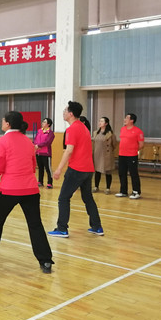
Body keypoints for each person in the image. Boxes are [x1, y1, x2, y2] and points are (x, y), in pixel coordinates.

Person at [0, 111, 54, 273]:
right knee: (35, 225)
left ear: (7, 124)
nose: (1, 122)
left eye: (3, 120)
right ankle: (46, 261)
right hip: (31, 190)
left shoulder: (2, 141)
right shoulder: (28, 141)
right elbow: (33, 165)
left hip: (9, 190)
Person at [48, 101, 104, 238]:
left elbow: (69, 151)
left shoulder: (72, 129)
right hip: (88, 169)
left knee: (63, 198)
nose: (63, 112)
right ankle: (97, 226)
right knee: (88, 198)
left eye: (65, 110)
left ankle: (62, 228)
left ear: (71, 114)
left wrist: (58, 169)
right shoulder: (84, 127)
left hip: (77, 169)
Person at [116, 113, 144, 199]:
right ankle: (123, 191)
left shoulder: (138, 131)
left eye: (127, 118)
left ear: (132, 120)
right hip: (122, 155)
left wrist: (133, 150)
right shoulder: (122, 129)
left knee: (133, 174)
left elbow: (141, 145)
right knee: (122, 173)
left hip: (132, 155)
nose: (125, 120)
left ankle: (136, 192)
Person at [92, 117, 116, 194]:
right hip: (97, 154)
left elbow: (114, 145)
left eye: (102, 121)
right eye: (99, 121)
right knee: (97, 171)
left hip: (106, 155)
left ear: (106, 123)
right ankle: (96, 186)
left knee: (108, 171)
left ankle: (108, 188)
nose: (100, 122)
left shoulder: (110, 134)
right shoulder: (96, 133)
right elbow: (94, 143)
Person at [33, 117, 55, 189]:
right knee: (40, 168)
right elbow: (35, 139)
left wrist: (39, 145)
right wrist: (35, 145)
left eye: (44, 122)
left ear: (48, 124)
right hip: (38, 153)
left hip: (46, 153)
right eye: (43, 121)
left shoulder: (50, 133)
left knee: (48, 168)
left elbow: (48, 142)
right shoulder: (39, 131)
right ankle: (40, 181)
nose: (42, 123)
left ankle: (50, 183)